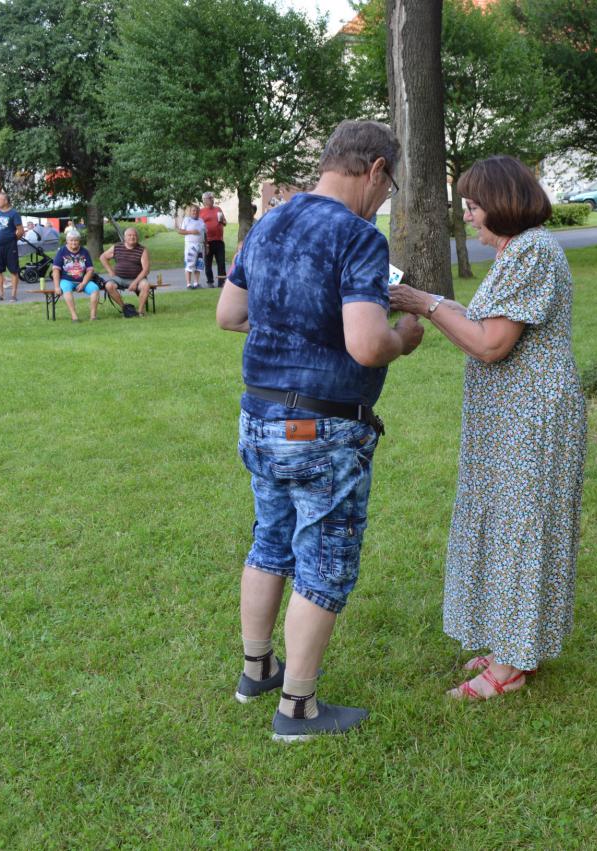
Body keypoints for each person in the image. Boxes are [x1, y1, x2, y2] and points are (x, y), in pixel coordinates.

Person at [215, 119, 423, 741]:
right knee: (324, 561)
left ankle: (257, 671)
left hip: (260, 418)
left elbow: (230, 313)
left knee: (270, 542)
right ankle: (298, 708)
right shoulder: (358, 237)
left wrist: (297, 322)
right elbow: (367, 345)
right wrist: (404, 338)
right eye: (388, 187)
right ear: (376, 170)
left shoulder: (268, 223)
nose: (383, 200)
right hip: (322, 429)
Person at [388, 155, 587, 701]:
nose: (469, 217)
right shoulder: (517, 251)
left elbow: (491, 344)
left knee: (521, 529)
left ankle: (511, 665)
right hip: (511, 419)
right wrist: (436, 304)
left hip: (531, 420)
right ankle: (510, 642)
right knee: (505, 524)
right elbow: (481, 323)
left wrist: (424, 304)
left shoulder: (531, 251)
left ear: (501, 203)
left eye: (474, 206)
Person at [100, 226, 152, 316]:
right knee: (109, 285)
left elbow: (146, 270)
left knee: (145, 285)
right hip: (119, 278)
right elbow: (103, 257)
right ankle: (125, 309)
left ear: (137, 237)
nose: (132, 237)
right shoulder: (117, 247)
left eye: (134, 235)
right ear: (124, 237)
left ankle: (140, 312)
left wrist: (135, 282)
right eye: (129, 235)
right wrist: (110, 271)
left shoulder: (142, 250)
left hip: (137, 279)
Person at [52, 227, 100, 321]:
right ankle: (74, 317)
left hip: (82, 280)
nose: (74, 243)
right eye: (71, 240)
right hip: (67, 280)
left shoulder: (84, 251)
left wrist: (83, 283)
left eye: (76, 240)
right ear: (67, 241)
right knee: (66, 289)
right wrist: (57, 287)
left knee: (95, 289)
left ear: (79, 241)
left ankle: (93, 316)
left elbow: (90, 270)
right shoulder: (61, 251)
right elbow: (55, 270)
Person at [0, 191, 24, 302]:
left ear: (6, 201)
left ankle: (13, 295)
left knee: (13, 270)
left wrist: (12, 240)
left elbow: (20, 231)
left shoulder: (14, 213)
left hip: (10, 246)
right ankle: (0, 295)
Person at [198, 192, 228, 288]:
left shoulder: (218, 209)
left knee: (221, 262)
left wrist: (222, 221)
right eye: (210, 198)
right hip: (207, 241)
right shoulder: (201, 212)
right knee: (208, 263)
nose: (212, 200)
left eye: (212, 198)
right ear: (204, 200)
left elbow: (225, 222)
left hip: (219, 240)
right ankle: (210, 281)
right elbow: (199, 226)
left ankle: (221, 282)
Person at [179, 205, 206, 289]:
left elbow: (205, 234)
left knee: (199, 264)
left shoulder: (201, 221)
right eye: (193, 210)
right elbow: (180, 231)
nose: (195, 212)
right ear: (190, 212)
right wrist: (191, 232)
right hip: (191, 245)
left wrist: (207, 245)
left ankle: (196, 283)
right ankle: (188, 284)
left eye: (197, 211)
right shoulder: (187, 220)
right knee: (189, 264)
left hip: (200, 246)